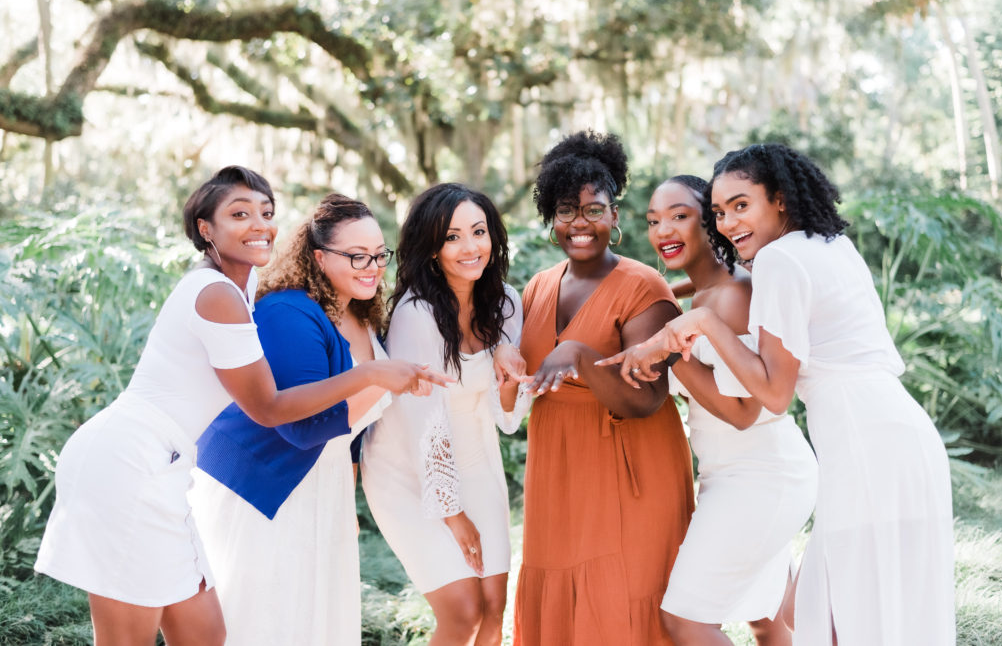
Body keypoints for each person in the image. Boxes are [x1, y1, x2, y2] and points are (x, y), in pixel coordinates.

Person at [33, 167, 447, 646]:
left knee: (206, 634)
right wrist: (371, 374)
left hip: (166, 467)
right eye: (239, 213)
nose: (259, 224)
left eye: (266, 213)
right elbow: (269, 409)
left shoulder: (240, 289)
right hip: (128, 463)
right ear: (205, 229)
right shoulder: (215, 295)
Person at [601, 143, 955, 646]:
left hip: (866, 449)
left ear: (781, 199)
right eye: (720, 212)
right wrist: (674, 302)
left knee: (845, 619)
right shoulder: (827, 244)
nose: (727, 223)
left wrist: (695, 324)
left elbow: (772, 394)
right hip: (898, 436)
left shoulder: (780, 261)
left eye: (742, 205)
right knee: (871, 614)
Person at [189, 194, 409, 645]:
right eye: (356, 256)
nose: (372, 266)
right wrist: (379, 379)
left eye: (379, 254)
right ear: (318, 257)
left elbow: (347, 436)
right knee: (267, 621)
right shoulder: (289, 311)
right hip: (264, 485)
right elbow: (300, 425)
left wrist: (345, 495)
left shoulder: (362, 315)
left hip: (322, 485)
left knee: (316, 620)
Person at [512, 131, 696, 646]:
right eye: (567, 210)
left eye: (595, 210)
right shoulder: (538, 287)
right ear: (551, 217)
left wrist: (580, 356)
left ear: (615, 216)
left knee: (625, 597)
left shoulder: (644, 288)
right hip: (557, 465)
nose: (580, 224)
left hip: (627, 463)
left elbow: (646, 399)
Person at [624, 174, 818, 645]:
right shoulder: (706, 292)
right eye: (653, 220)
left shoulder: (733, 294)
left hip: (759, 476)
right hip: (739, 474)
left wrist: (667, 345)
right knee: (768, 617)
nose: (662, 230)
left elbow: (742, 411)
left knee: (684, 621)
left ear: (711, 221)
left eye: (679, 216)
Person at [361, 183, 528, 646]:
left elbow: (508, 419)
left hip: (477, 461)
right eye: (452, 237)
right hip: (408, 471)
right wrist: (453, 514)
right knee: (463, 613)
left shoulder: (507, 304)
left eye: (478, 232)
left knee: (494, 610)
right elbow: (422, 425)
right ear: (432, 249)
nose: (470, 247)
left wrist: (510, 376)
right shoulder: (417, 314)